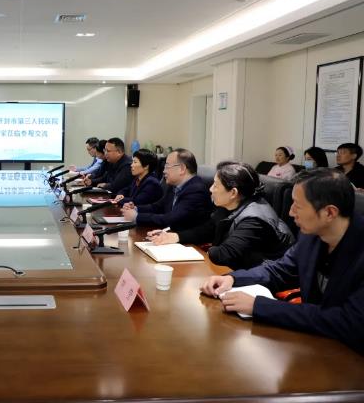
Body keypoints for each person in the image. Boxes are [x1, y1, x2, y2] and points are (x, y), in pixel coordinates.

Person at [200, 168, 364, 355]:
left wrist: (259, 306)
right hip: (316, 344)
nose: (291, 212)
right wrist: (233, 279)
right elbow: (281, 270)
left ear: (329, 213)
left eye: (298, 206)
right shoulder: (311, 235)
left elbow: (349, 322)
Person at [149, 161, 294, 269]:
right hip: (237, 268)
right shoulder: (231, 205)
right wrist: (174, 237)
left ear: (233, 192)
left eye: (215, 185)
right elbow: (207, 229)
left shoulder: (254, 219)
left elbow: (224, 254)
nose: (210, 189)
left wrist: (190, 252)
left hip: (261, 281)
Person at [122, 148, 212, 231]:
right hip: (169, 235)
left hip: (187, 240)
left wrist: (137, 217)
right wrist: (136, 208)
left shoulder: (196, 190)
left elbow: (170, 218)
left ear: (182, 169)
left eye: (167, 166)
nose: (164, 171)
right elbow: (158, 207)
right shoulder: (174, 185)